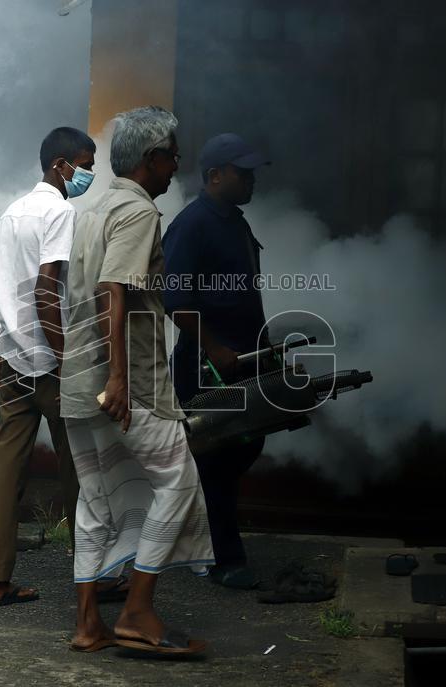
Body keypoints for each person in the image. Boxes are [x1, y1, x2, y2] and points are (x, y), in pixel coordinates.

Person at [60, 106, 214, 654]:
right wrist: (120, 380)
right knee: (179, 482)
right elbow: (112, 290)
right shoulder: (138, 211)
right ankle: (137, 610)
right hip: (129, 386)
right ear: (152, 160)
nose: (177, 167)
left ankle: (87, 626)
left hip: (78, 380)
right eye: (173, 157)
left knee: (95, 500)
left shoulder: (90, 207)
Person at [0, 126, 96, 607]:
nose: (88, 173)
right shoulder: (60, 211)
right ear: (61, 164)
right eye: (85, 164)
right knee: (82, 468)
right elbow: (47, 291)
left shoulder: (13, 211)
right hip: (52, 363)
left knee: (6, 471)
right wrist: (67, 362)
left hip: (11, 363)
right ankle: (95, 577)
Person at [161, 132, 271, 590]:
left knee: (245, 445)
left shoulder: (236, 223)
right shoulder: (192, 225)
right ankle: (224, 558)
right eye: (242, 173)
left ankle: (199, 541)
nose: (250, 180)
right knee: (220, 455)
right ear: (214, 176)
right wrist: (214, 348)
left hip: (244, 359)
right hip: (208, 364)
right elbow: (177, 301)